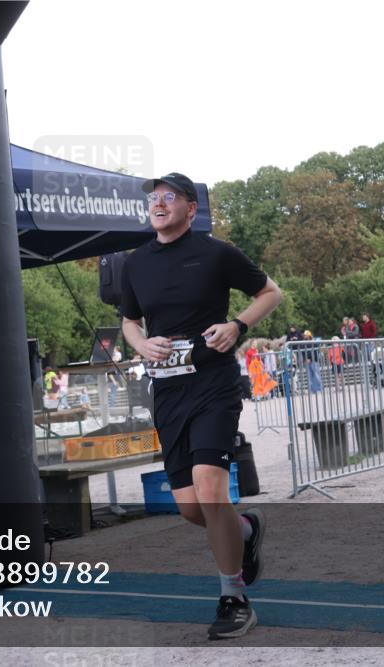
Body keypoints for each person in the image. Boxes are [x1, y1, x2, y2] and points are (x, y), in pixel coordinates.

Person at [121, 172, 281, 639]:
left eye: (169, 197)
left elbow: (271, 292)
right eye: (154, 197)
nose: (158, 203)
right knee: (192, 508)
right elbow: (130, 322)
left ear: (191, 208)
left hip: (214, 384)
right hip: (168, 392)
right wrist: (140, 344)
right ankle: (246, 531)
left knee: (211, 490)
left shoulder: (216, 253)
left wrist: (238, 326)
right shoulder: (136, 263)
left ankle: (234, 598)